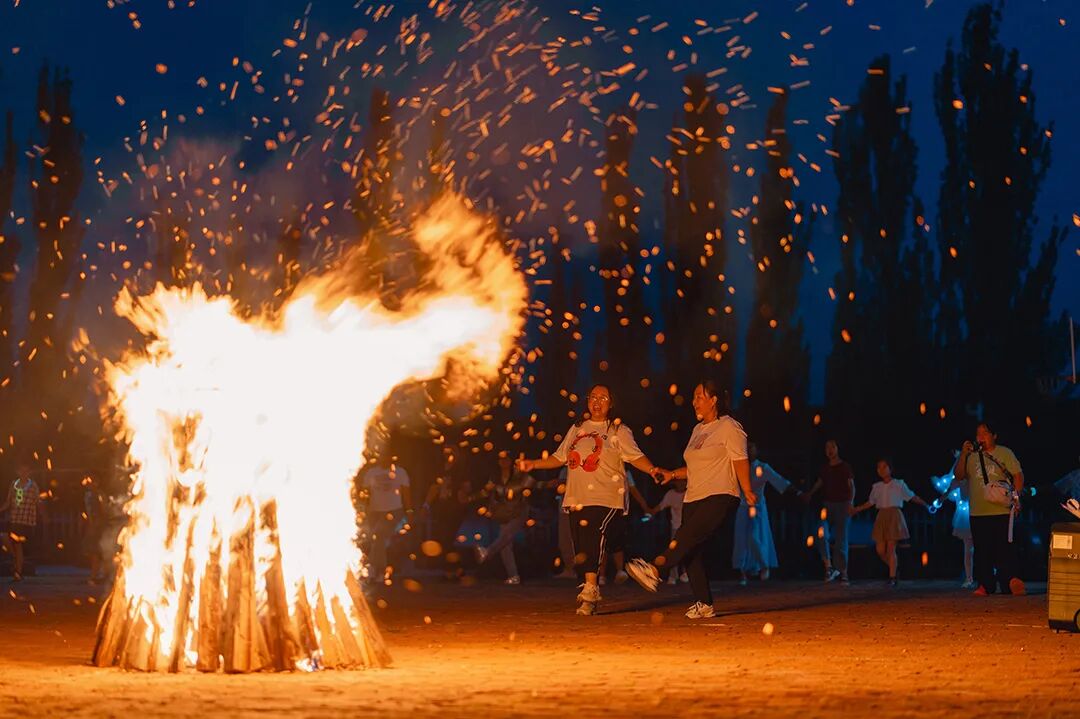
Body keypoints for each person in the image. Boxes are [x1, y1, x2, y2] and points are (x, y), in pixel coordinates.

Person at [516, 383, 666, 615]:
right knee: (582, 547)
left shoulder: (618, 430)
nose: (597, 402)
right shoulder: (577, 428)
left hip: (607, 496)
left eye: (603, 398)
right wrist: (533, 464)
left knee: (593, 535)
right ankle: (594, 590)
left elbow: (635, 457)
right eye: (593, 397)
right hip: (577, 496)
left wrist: (653, 469)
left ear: (612, 403)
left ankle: (591, 589)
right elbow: (559, 457)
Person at [625, 381, 756, 620]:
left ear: (713, 400)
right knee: (690, 550)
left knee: (684, 537)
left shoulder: (729, 426)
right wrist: (672, 474)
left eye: (698, 396)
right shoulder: (698, 430)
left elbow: (740, 459)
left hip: (720, 496)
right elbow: (694, 467)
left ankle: (656, 569)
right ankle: (704, 603)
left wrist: (747, 489)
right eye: (694, 397)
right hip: (693, 496)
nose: (694, 401)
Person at [952, 421, 1025, 596]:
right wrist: (963, 454)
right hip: (978, 511)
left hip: (1001, 510)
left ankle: (1009, 583)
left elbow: (1018, 475)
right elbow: (959, 475)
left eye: (985, 433)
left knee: (1004, 550)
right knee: (982, 550)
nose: (981, 437)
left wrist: (1016, 498)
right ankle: (986, 585)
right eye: (978, 434)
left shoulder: (1005, 453)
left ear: (994, 436)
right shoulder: (970, 456)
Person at [851, 458, 929, 587]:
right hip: (882, 516)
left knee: (891, 548)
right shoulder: (877, 487)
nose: (881, 470)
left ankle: (892, 577)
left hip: (894, 515)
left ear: (890, 468)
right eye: (879, 468)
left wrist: (926, 504)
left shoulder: (899, 484)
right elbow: (870, 502)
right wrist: (856, 509)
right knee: (880, 550)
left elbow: (911, 496)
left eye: (884, 467)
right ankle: (894, 568)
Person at [733, 443, 798, 585]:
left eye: (752, 449)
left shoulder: (762, 467)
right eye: (747, 449)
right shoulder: (737, 467)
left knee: (755, 536)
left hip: (757, 508)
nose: (749, 452)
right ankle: (743, 572)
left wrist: (798, 492)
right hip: (743, 506)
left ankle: (763, 565)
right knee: (741, 539)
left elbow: (779, 480)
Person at [475, 455, 535, 584]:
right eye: (501, 459)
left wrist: (551, 484)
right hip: (503, 513)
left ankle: (488, 552)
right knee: (505, 546)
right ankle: (513, 576)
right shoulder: (495, 478)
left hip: (519, 512)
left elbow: (533, 485)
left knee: (506, 536)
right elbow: (488, 493)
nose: (504, 461)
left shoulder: (519, 476)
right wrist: (472, 499)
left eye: (506, 459)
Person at [803, 439, 855, 584]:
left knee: (841, 538)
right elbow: (820, 482)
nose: (829, 450)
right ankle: (829, 566)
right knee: (821, 533)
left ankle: (843, 572)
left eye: (832, 447)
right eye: (827, 448)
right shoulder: (825, 468)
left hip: (843, 504)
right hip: (828, 505)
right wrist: (810, 493)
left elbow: (851, 486)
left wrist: (851, 503)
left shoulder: (845, 467)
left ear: (837, 449)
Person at [360, 454, 413, 584]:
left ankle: (376, 570)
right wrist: (363, 510)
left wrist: (409, 511)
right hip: (375, 512)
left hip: (393, 511)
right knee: (376, 540)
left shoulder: (400, 472)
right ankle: (376, 570)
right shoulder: (371, 473)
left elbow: (406, 493)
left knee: (379, 536)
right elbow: (365, 493)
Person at [599, 469, 651, 586]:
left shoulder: (625, 472)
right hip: (603, 510)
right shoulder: (603, 470)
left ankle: (620, 571)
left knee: (617, 542)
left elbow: (633, 490)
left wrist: (645, 506)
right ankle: (601, 575)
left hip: (620, 511)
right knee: (602, 542)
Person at [0, 462, 46, 581]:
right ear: (17, 472)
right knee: (6, 538)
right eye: (21, 471)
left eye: (26, 471)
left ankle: (18, 571)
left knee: (18, 545)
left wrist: (43, 515)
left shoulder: (33, 486)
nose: (24, 473)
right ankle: (17, 562)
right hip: (15, 519)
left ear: (29, 472)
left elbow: (38, 502)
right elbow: (9, 502)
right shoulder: (13, 485)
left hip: (26, 521)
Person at [649, 478, 689, 585]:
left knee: (688, 550)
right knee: (673, 550)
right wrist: (650, 512)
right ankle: (673, 575)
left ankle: (686, 573)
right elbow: (661, 506)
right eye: (679, 481)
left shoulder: (690, 493)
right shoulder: (671, 494)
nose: (681, 484)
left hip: (688, 527)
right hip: (676, 527)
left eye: (683, 481)